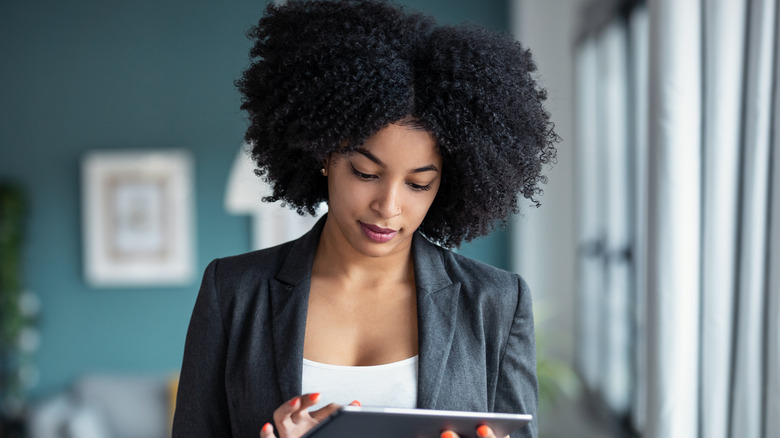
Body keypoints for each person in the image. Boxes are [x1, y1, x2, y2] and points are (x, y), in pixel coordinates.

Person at [172, 1, 557, 437]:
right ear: (324, 155)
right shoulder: (235, 292)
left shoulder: (496, 302)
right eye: (366, 173)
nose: (388, 206)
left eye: (418, 184)